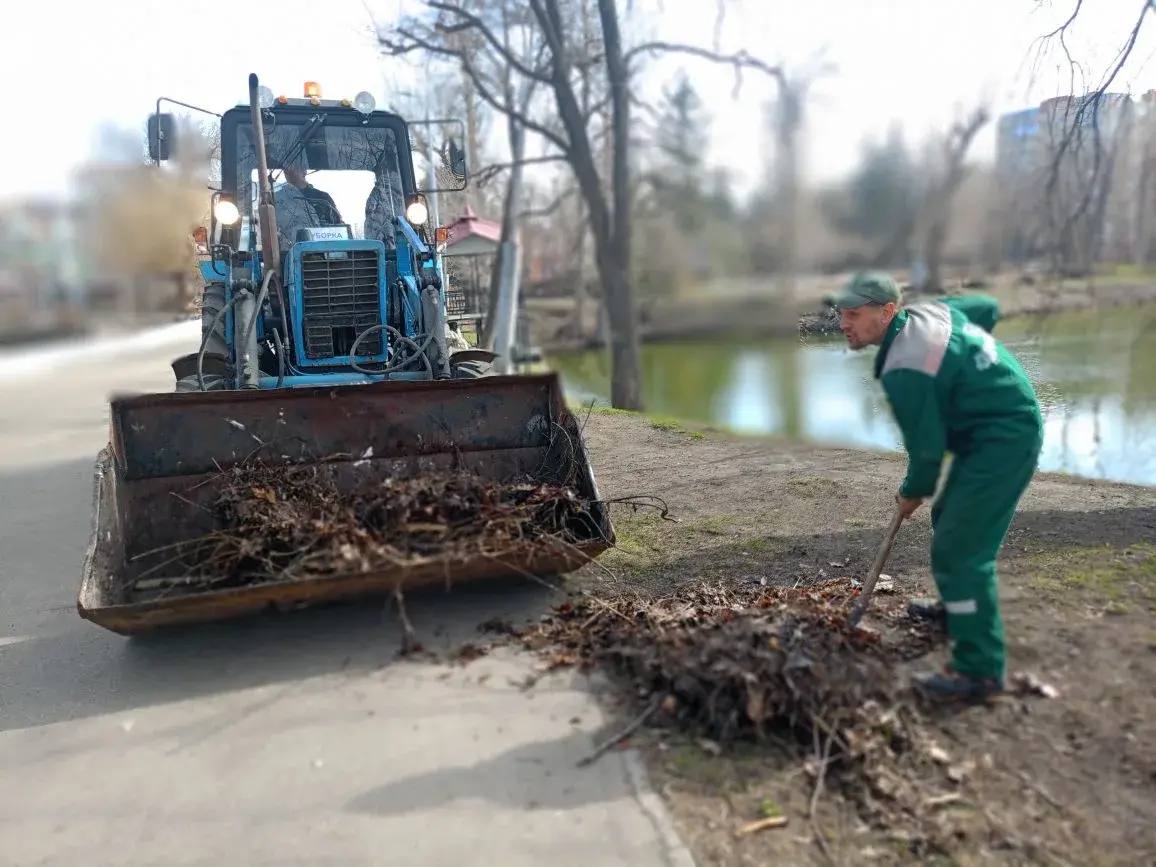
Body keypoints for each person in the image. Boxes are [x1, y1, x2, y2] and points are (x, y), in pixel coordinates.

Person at [827, 271, 1043, 702]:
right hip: (991, 427)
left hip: (1002, 437)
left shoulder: (904, 366)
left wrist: (911, 492)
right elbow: (986, 309)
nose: (843, 324)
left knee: (960, 552)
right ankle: (957, 612)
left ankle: (979, 671)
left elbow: (926, 454)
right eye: (840, 314)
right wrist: (972, 362)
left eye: (853, 314)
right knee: (949, 518)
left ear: (888, 312)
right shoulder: (930, 313)